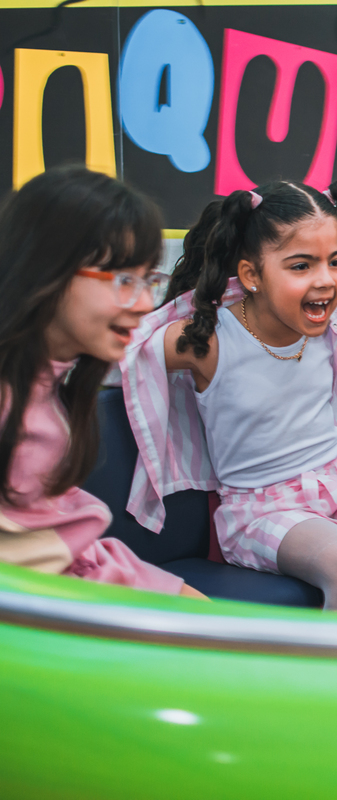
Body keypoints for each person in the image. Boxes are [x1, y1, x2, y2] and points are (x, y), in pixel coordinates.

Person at [122, 180, 337, 614]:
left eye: (334, 262)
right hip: (259, 506)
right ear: (251, 275)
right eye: (301, 266)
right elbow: (120, 355)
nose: (325, 280)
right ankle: (333, 685)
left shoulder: (332, 320)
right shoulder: (207, 339)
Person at [0, 167, 203, 597]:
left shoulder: (53, 386)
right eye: (124, 280)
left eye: (149, 280)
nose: (145, 302)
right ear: (46, 270)